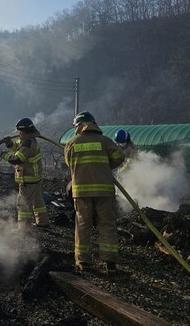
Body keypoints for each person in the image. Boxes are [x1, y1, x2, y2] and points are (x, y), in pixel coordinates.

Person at [64, 111, 125, 274]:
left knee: (83, 224)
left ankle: (83, 261)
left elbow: (69, 162)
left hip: (81, 192)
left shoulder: (72, 143)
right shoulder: (105, 141)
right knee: (107, 224)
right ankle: (110, 263)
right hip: (104, 191)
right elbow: (120, 157)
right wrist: (104, 167)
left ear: (79, 126)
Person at [0, 117, 50, 230]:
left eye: (20, 132)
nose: (19, 134)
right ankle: (42, 221)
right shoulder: (28, 141)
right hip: (35, 178)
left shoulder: (28, 144)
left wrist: (1, 154)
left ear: (26, 132)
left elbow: (17, 159)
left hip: (28, 179)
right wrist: (9, 144)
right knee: (37, 201)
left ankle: (23, 229)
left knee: (23, 203)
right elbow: (18, 148)